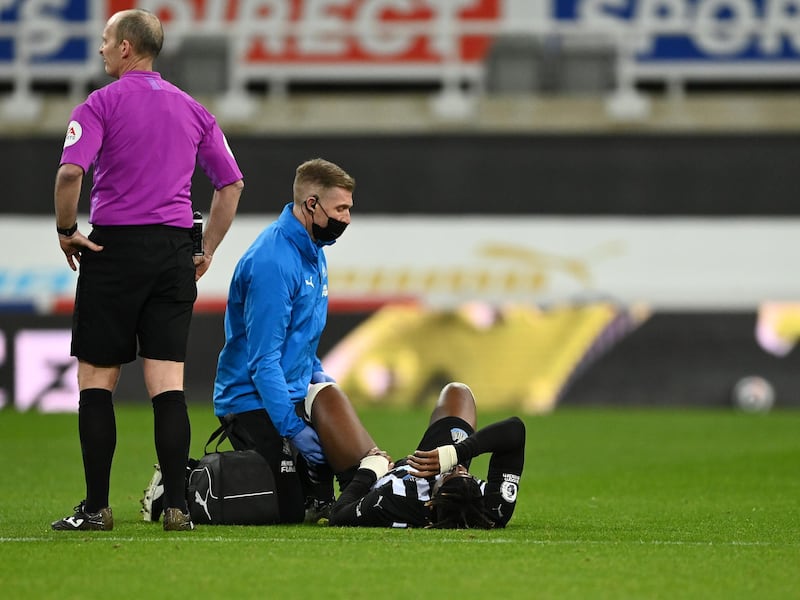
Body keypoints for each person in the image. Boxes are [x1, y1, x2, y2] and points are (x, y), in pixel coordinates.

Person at [51, 8, 244, 532]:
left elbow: (71, 171)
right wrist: (206, 247)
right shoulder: (193, 109)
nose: (100, 50)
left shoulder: (100, 103)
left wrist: (67, 228)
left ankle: (96, 508)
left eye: (106, 41)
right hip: (172, 255)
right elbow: (231, 185)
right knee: (168, 386)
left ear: (127, 49)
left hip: (112, 252)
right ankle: (177, 507)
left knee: (96, 382)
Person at [211, 158, 354, 523]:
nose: (347, 219)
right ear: (311, 205)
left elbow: (301, 339)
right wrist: (293, 429)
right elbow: (262, 361)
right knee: (288, 509)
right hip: (249, 398)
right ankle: (185, 484)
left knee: (327, 501)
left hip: (288, 390)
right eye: (341, 208)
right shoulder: (273, 262)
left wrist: (321, 381)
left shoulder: (313, 252)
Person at [310, 381, 525, 529]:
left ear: (433, 498)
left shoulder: (391, 501)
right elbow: (515, 430)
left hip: (373, 481)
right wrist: (455, 454)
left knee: (324, 395)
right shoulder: (492, 509)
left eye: (448, 475)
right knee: (458, 392)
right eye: (465, 474)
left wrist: (369, 469)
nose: (455, 469)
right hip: (429, 462)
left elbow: (339, 515)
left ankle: (314, 492)